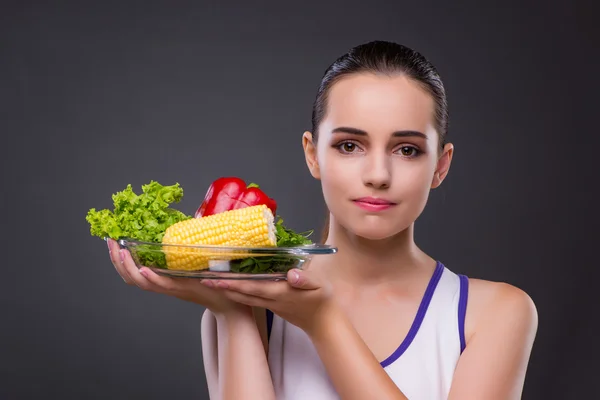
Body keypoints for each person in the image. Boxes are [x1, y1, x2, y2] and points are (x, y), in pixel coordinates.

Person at [106, 40, 538, 399]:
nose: (377, 175)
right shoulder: (254, 304)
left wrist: (323, 321)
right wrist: (233, 312)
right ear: (313, 154)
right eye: (350, 146)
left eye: (406, 149)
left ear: (440, 166)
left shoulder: (490, 314)